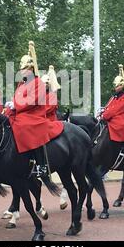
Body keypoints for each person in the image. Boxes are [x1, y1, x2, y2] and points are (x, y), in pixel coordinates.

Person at [5, 41, 64, 178]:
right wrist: (10, 105)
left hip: (34, 116)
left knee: (26, 126)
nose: (21, 71)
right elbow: (18, 98)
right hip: (21, 114)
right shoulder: (22, 84)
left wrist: (17, 105)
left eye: (24, 69)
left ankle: (41, 164)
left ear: (30, 69)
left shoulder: (38, 83)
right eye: (21, 69)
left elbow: (33, 100)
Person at [42, 65, 68, 209]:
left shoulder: (51, 96)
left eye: (46, 83)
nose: (44, 85)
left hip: (50, 122)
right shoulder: (39, 95)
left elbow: (47, 109)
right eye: (43, 83)